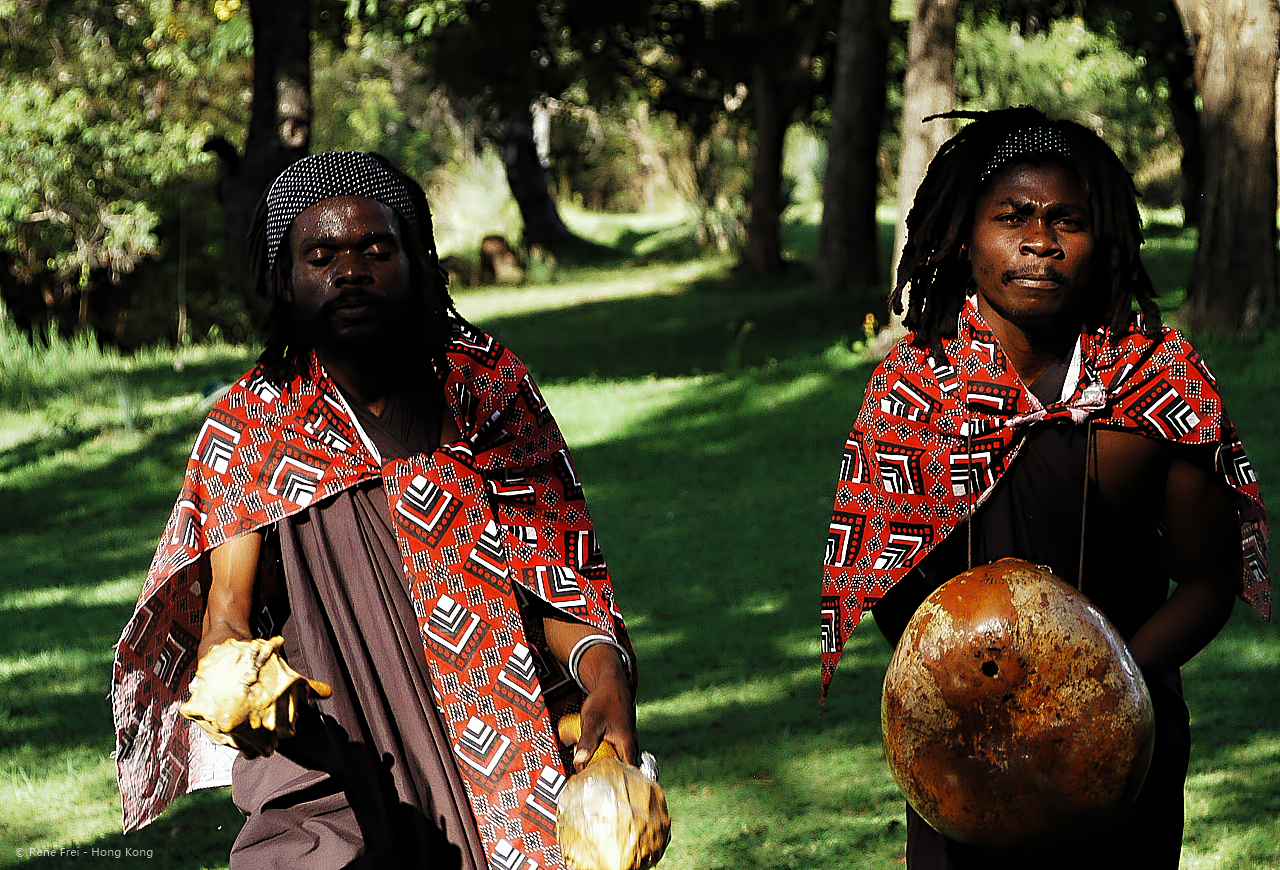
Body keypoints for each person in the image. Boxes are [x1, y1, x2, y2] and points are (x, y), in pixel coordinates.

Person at [112, 151, 639, 870]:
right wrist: (243, 683)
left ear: (416, 260)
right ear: (285, 280)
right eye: (320, 254)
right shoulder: (255, 424)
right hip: (334, 764)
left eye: (375, 249)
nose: (349, 271)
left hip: (502, 749)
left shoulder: (486, 389)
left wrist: (604, 674)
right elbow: (225, 619)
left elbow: (555, 574)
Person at [819, 107, 1270, 869]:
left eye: (1068, 219)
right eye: (1013, 217)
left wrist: (1103, 686)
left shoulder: (1158, 381)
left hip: (1128, 746)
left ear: (1103, 240)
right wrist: (980, 696)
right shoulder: (916, 393)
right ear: (966, 234)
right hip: (964, 743)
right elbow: (885, 582)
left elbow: (1207, 578)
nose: (1040, 241)